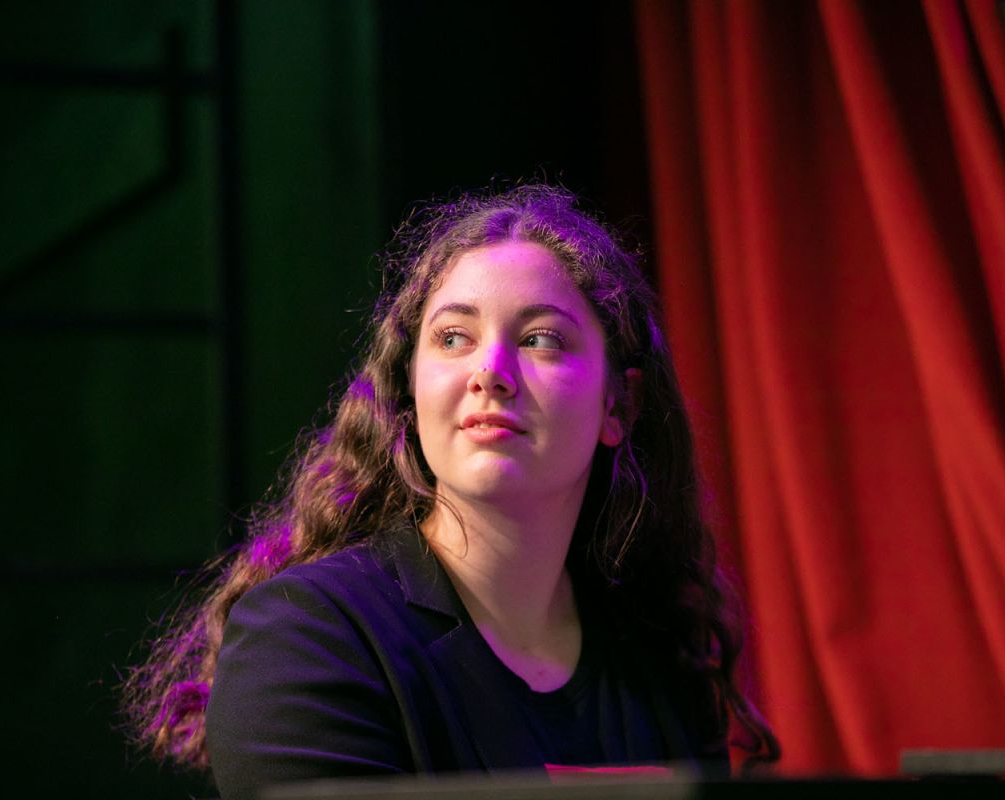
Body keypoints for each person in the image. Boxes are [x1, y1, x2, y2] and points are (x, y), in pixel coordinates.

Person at [122, 183, 779, 799]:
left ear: (618, 405)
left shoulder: (662, 662)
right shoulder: (304, 636)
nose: (489, 371)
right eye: (453, 338)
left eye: (541, 339)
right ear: (409, 392)